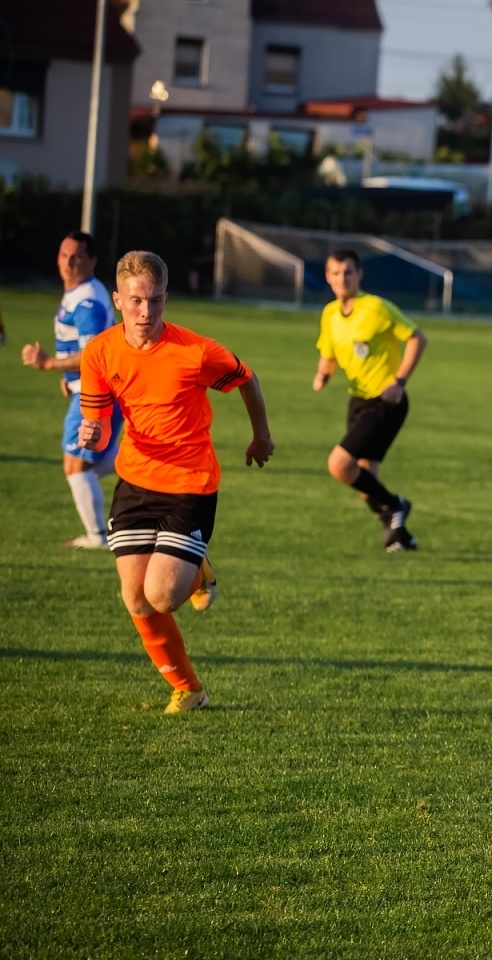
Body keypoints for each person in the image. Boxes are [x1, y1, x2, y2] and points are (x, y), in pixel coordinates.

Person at [76, 251, 275, 714]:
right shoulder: (100, 352)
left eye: (157, 301)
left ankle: (198, 563)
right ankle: (190, 689)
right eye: (137, 301)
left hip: (191, 482)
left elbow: (247, 379)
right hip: (135, 481)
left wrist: (261, 436)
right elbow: (99, 421)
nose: (147, 312)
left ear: (167, 298)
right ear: (118, 300)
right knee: (136, 598)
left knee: (162, 595)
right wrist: (92, 431)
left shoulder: (196, 351)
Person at [313, 250, 426, 552]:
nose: (341, 279)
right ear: (328, 277)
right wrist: (323, 374)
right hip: (358, 401)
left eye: (348, 272)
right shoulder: (329, 314)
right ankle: (401, 537)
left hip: (386, 401)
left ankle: (396, 505)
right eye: (335, 273)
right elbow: (329, 352)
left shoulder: (376, 308)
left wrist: (399, 381)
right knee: (366, 485)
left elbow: (417, 338)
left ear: (359, 274)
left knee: (339, 465)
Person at [19, 232, 122, 548]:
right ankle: (145, 464)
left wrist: (49, 364)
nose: (69, 262)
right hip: (91, 389)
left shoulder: (87, 300)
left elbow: (91, 354)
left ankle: (97, 537)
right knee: (87, 464)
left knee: (75, 465)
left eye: (76, 256)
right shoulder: (78, 292)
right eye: (64, 255)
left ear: (92, 261)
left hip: (97, 394)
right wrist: (71, 379)